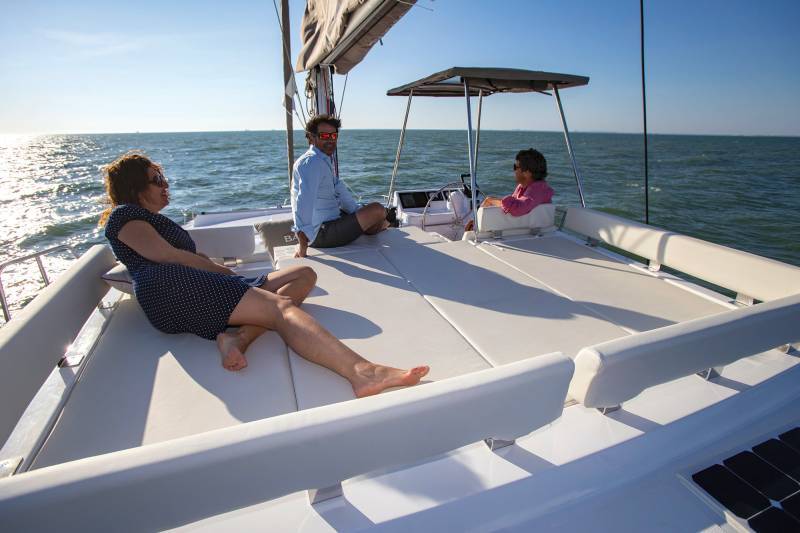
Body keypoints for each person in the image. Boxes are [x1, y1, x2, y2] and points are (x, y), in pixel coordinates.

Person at [99, 152, 428, 397]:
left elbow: (180, 255)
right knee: (279, 309)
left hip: (187, 286)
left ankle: (238, 337)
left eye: (162, 177)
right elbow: (165, 256)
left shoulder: (148, 218)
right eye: (156, 179)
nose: (165, 184)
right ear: (135, 187)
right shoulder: (124, 215)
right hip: (173, 291)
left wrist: (213, 268)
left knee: (303, 275)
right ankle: (363, 372)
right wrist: (220, 271)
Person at [291, 115, 392, 258]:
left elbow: (340, 191)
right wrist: (302, 245)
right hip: (320, 233)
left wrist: (358, 211)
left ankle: (380, 223)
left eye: (334, 135)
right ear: (311, 138)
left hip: (332, 219)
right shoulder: (312, 163)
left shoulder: (323, 160)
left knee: (372, 212)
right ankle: (382, 224)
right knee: (378, 210)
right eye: (324, 136)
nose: (330, 140)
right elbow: (304, 201)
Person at [465, 148, 554, 231]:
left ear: (527, 172)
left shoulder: (538, 190)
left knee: (489, 201)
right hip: (521, 230)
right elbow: (513, 204)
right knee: (488, 201)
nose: (514, 170)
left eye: (516, 167)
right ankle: (475, 224)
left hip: (527, 232)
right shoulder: (522, 187)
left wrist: (494, 201)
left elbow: (516, 208)